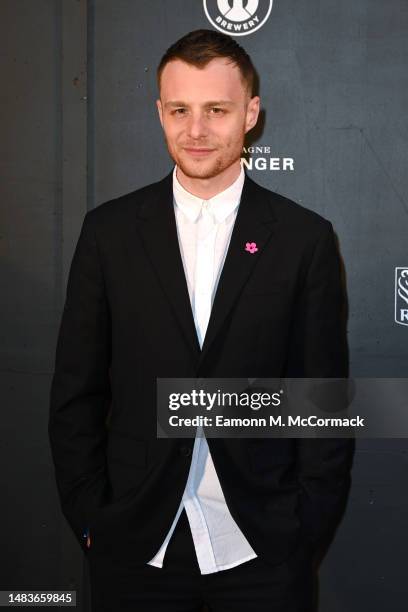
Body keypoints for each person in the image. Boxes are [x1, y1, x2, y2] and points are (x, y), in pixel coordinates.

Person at [48, 28, 353, 612]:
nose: (196, 130)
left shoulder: (304, 239)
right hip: (134, 543)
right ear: (160, 113)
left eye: (217, 109)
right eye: (181, 109)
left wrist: (304, 528)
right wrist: (91, 517)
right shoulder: (108, 233)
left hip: (262, 546)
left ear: (251, 114)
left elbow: (322, 402)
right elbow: (75, 392)